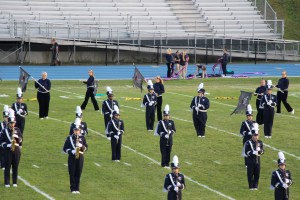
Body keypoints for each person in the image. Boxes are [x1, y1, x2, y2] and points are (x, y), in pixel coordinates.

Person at [63, 121, 88, 194]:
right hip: (72, 157)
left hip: (80, 156)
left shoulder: (82, 137)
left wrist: (81, 147)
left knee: (78, 172)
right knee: (72, 172)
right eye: (75, 130)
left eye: (78, 130)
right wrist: (72, 151)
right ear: (73, 130)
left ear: (79, 130)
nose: (76, 131)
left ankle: (77, 188)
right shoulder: (69, 138)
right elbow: (65, 149)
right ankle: (73, 188)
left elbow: (86, 147)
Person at [0, 109, 23, 187]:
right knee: (7, 166)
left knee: (15, 166)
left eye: (13, 123)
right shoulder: (4, 131)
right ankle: (7, 182)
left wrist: (17, 138)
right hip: (7, 151)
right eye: (11, 123)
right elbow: (1, 142)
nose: (12, 125)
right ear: (8, 123)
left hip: (16, 150)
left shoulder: (17, 130)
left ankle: (14, 182)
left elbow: (21, 140)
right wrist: (7, 145)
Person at [243, 123, 264, 190]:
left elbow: (263, 150)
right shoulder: (248, 142)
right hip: (250, 160)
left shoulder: (260, 142)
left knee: (257, 173)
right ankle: (251, 186)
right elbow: (247, 152)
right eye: (255, 135)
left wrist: (261, 151)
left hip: (258, 160)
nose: (256, 137)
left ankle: (255, 186)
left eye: (257, 135)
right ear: (252, 135)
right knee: (250, 173)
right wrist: (253, 152)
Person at [0, 105, 10, 170]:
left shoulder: (10, 124)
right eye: (5, 117)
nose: (6, 118)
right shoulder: (1, 124)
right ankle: (2, 165)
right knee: (2, 151)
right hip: (2, 139)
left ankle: (6, 163)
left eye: (7, 117)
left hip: (8, 140)